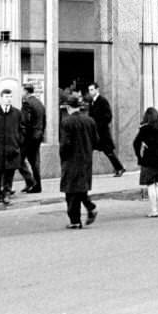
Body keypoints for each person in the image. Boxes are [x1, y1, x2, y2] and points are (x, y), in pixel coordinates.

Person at [59, 93, 98, 229]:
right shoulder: (90, 121)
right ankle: (90, 207)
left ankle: (75, 220)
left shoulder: (66, 122)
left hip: (71, 160)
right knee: (80, 187)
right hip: (86, 158)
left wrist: (63, 157)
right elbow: (96, 141)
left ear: (69, 108)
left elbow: (65, 144)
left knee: (71, 191)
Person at [0, 87, 24, 204]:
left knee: (9, 172)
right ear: (1, 98)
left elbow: (22, 129)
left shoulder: (17, 113)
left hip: (12, 148)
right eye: (6, 97)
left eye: (10, 97)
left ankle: (7, 193)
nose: (8, 99)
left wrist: (18, 141)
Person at [133, 107, 158, 217]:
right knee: (155, 182)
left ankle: (154, 210)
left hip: (148, 159)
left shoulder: (144, 129)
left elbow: (135, 143)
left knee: (150, 184)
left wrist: (139, 156)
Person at [87, 82, 125, 177]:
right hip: (95, 132)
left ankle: (119, 168)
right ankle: (86, 171)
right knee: (88, 150)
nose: (90, 92)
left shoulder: (102, 101)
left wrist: (99, 125)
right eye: (89, 90)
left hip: (102, 133)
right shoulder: (92, 102)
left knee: (109, 152)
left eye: (92, 90)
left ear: (97, 89)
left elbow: (108, 116)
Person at [20, 83, 46, 193]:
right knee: (35, 162)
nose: (21, 93)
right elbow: (44, 121)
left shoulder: (27, 103)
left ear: (26, 91)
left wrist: (23, 136)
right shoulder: (40, 103)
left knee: (18, 160)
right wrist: (40, 133)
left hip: (29, 138)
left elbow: (25, 122)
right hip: (38, 136)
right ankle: (36, 184)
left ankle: (31, 182)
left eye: (22, 91)